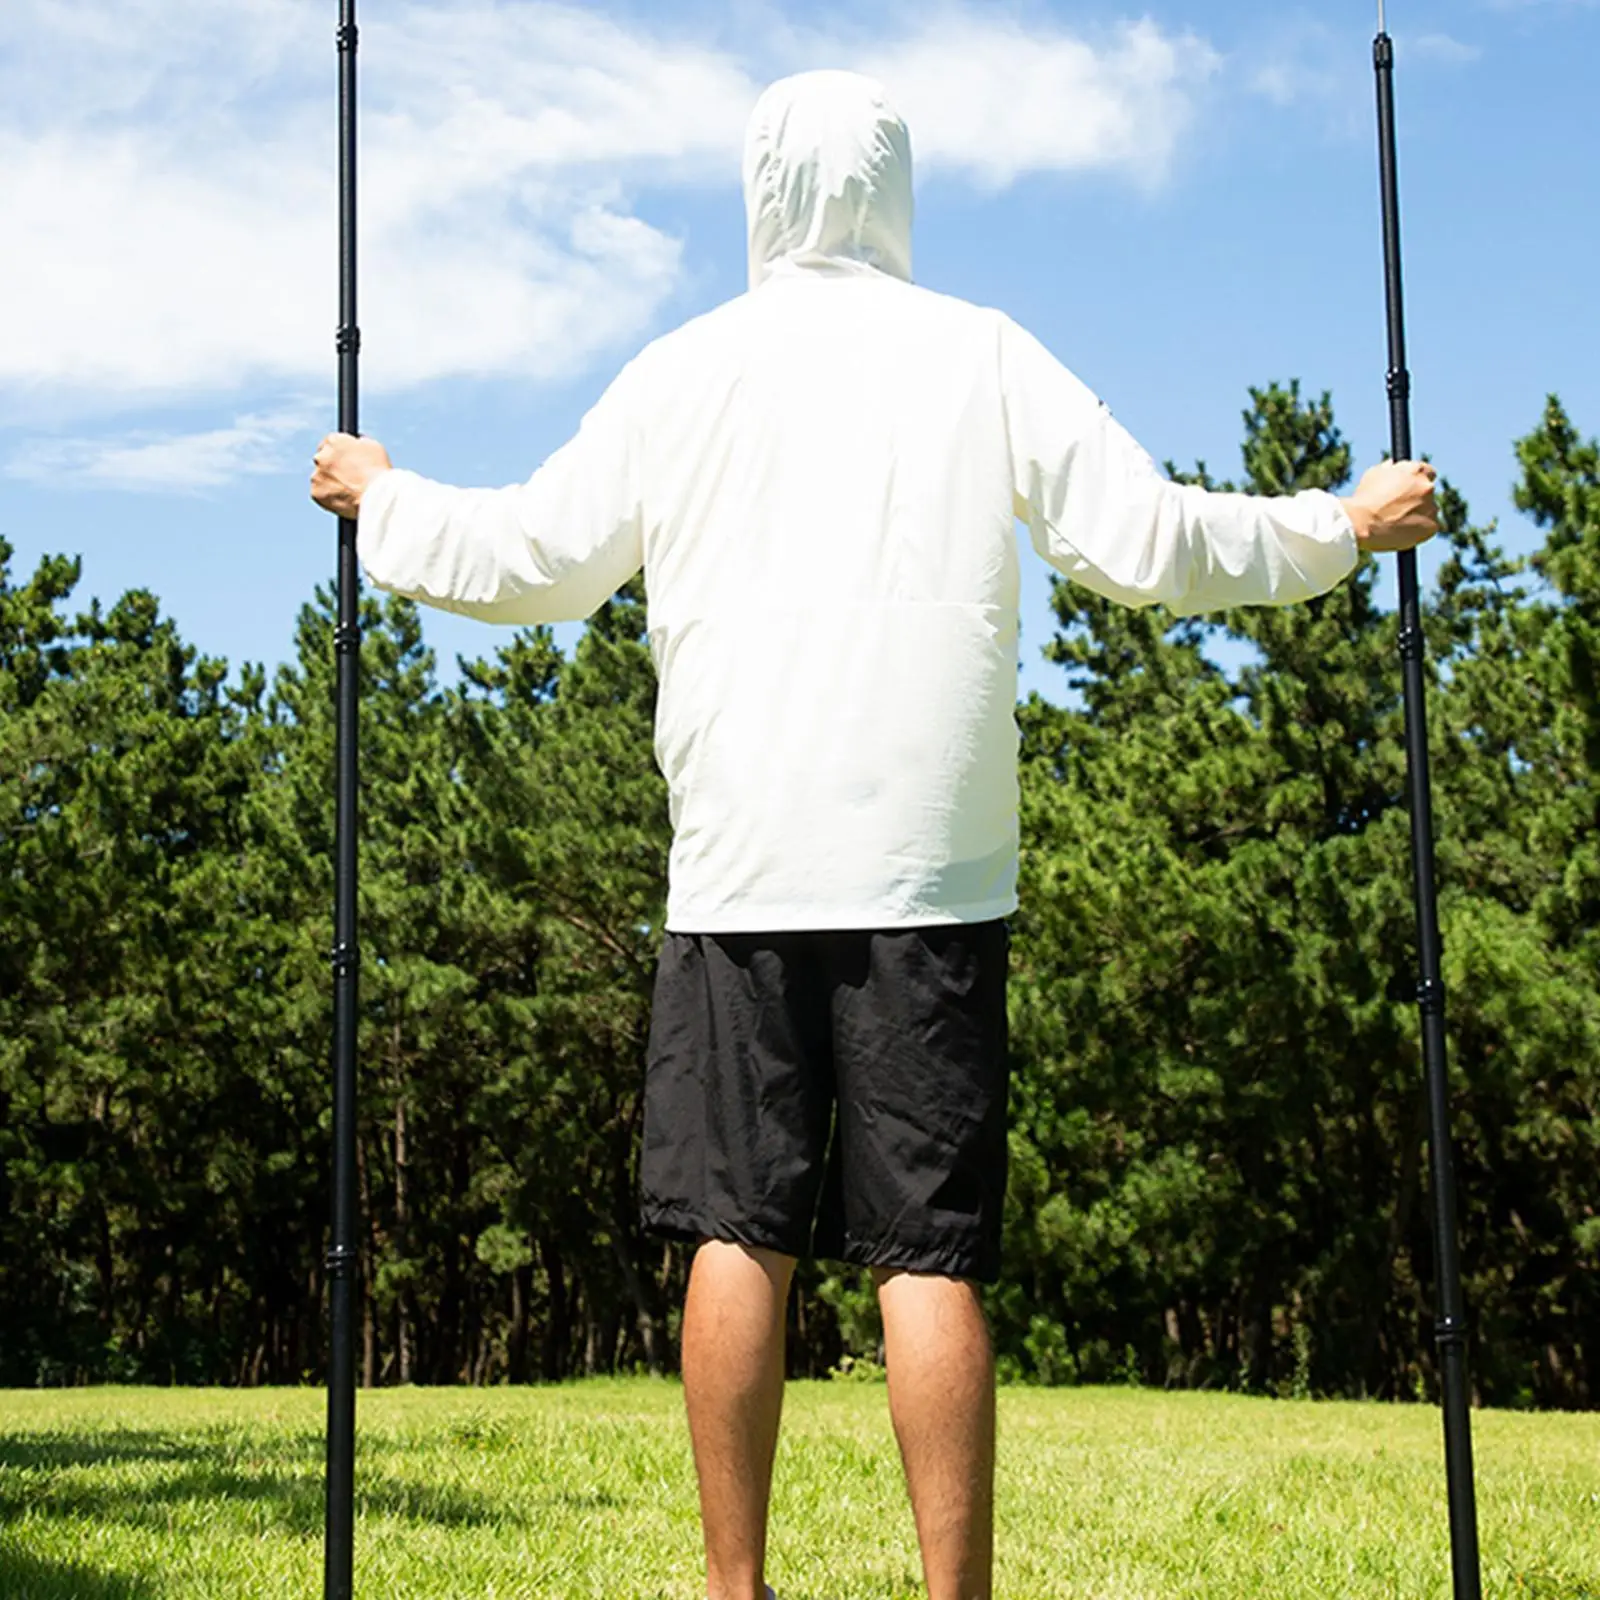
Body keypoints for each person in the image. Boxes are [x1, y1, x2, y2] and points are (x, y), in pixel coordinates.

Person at [310, 68, 1437, 1600]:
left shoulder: (683, 370)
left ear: (759, 191)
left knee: (735, 1231)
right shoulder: (983, 354)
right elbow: (1152, 537)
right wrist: (1341, 526)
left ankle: (736, 1593)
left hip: (739, 871)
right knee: (929, 1253)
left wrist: (385, 500)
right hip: (931, 875)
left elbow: (534, 557)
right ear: (897, 188)